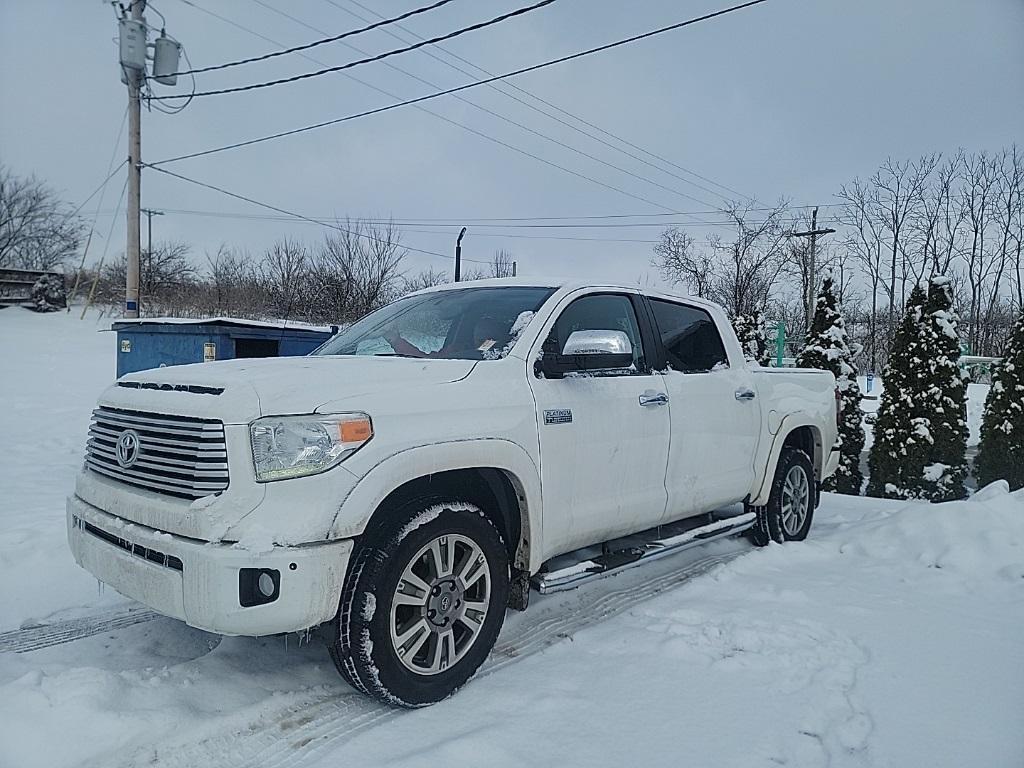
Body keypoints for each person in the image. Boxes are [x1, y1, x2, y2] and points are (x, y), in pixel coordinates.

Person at [386, 315, 507, 359]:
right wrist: (396, 340)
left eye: (487, 338)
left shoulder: (507, 354)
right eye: (478, 336)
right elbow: (426, 360)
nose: (482, 340)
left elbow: (484, 352)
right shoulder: (457, 351)